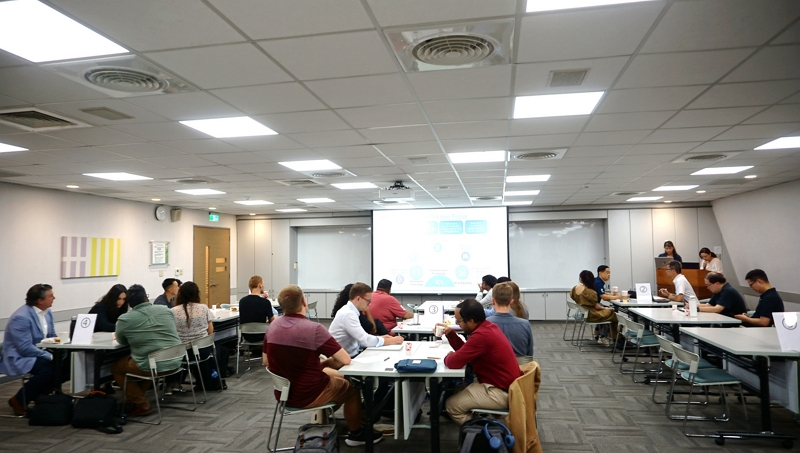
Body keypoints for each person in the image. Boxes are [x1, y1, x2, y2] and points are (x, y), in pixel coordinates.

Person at [263, 284, 383, 446]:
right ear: (304, 302)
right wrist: (326, 363)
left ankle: (323, 421)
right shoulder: (314, 329)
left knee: (332, 376)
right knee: (353, 387)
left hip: (283, 394)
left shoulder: (272, 327)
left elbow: (266, 361)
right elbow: (345, 360)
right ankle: (356, 434)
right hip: (309, 393)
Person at [439, 299, 521, 426]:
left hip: (501, 392)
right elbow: (467, 351)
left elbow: (453, 362)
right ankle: (476, 423)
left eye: (459, 321)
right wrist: (451, 334)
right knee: (456, 391)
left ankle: (481, 432)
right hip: (504, 386)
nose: (458, 325)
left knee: (451, 405)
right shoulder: (487, 327)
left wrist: (448, 357)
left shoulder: (481, 336)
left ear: (471, 321)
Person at [112, 284, 183, 417]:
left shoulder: (125, 319)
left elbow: (121, 341)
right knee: (148, 362)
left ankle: (141, 403)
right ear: (146, 297)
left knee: (117, 368)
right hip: (175, 360)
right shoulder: (165, 310)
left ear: (129, 302)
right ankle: (134, 399)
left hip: (152, 364)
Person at [1, 284, 58, 416]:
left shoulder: (47, 312)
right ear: (40, 300)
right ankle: (18, 400)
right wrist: (48, 355)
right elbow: (25, 348)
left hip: (38, 352)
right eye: (50, 296)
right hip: (20, 356)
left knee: (65, 366)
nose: (54, 298)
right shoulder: (21, 317)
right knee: (48, 370)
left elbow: (52, 336)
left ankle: (39, 396)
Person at [329, 283, 403, 357]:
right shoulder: (348, 314)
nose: (369, 304)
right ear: (358, 298)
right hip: (344, 359)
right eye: (368, 301)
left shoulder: (350, 311)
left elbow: (359, 340)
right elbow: (365, 340)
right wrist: (391, 341)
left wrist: (380, 338)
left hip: (348, 355)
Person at [570, 270, 620, 345]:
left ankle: (600, 332)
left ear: (580, 279)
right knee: (613, 313)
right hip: (592, 314)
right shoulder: (591, 292)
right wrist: (605, 308)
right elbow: (597, 307)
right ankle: (611, 336)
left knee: (607, 312)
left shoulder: (574, 289)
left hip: (584, 313)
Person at [487, 282, 533, 357]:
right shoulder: (525, 324)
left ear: (493, 301)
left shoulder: (486, 324)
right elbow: (529, 354)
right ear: (511, 302)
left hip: (495, 363)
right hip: (520, 364)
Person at [239, 275, 275, 343]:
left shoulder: (242, 301)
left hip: (246, 335)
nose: (264, 286)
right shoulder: (265, 302)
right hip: (262, 335)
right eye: (263, 284)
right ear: (260, 285)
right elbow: (272, 321)